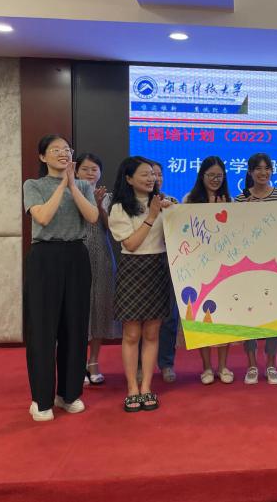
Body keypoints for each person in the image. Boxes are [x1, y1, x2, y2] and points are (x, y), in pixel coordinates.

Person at [22, 134, 99, 421]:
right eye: (55, 150)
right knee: (43, 329)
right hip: (45, 256)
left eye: (66, 149)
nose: (63, 153)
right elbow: (42, 217)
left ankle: (69, 394)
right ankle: (41, 400)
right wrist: (62, 185)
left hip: (76, 255)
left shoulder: (83, 186)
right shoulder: (33, 185)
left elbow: (92, 217)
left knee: (75, 328)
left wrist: (73, 185)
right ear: (43, 157)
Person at [109, 157, 172, 412]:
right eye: (145, 174)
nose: (151, 179)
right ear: (129, 178)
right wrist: (152, 215)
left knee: (152, 333)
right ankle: (132, 388)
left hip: (158, 267)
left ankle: (146, 386)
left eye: (153, 174)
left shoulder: (165, 203)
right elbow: (131, 244)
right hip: (133, 269)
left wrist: (171, 213)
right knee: (132, 334)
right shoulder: (119, 208)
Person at [234, 152, 277, 385]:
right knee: (249, 315)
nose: (263, 173)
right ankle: (252, 365)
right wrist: (243, 214)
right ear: (250, 172)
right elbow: (234, 235)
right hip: (247, 267)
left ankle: (271, 364)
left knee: (274, 315)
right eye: (258, 168)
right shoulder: (240, 199)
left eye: (267, 168)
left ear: (272, 171)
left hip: (275, 265)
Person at [183, 156, 234, 385]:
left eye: (219, 176)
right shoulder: (190, 200)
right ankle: (206, 367)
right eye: (211, 175)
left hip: (224, 270)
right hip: (198, 269)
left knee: (224, 320)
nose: (215, 179)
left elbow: (234, 235)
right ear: (201, 176)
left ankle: (223, 366)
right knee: (202, 319)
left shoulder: (230, 201)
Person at [75, 153, 121, 386]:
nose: (90, 173)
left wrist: (99, 204)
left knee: (100, 308)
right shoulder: (71, 193)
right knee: (79, 310)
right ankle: (77, 363)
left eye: (94, 169)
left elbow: (111, 228)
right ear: (76, 171)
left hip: (102, 256)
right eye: (85, 169)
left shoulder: (107, 197)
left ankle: (93, 361)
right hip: (76, 256)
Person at [150, 160, 180, 383]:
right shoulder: (135, 203)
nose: (156, 178)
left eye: (159, 174)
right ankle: (141, 365)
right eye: (151, 174)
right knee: (143, 318)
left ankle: (167, 363)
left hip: (170, 264)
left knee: (170, 318)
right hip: (145, 264)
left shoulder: (173, 202)